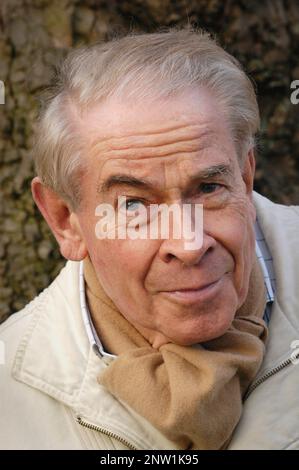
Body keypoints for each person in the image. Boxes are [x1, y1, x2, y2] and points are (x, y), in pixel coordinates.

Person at [0, 29, 298, 450]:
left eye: (209, 188)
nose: (189, 244)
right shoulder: (7, 397)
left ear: (245, 179)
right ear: (66, 220)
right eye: (135, 206)